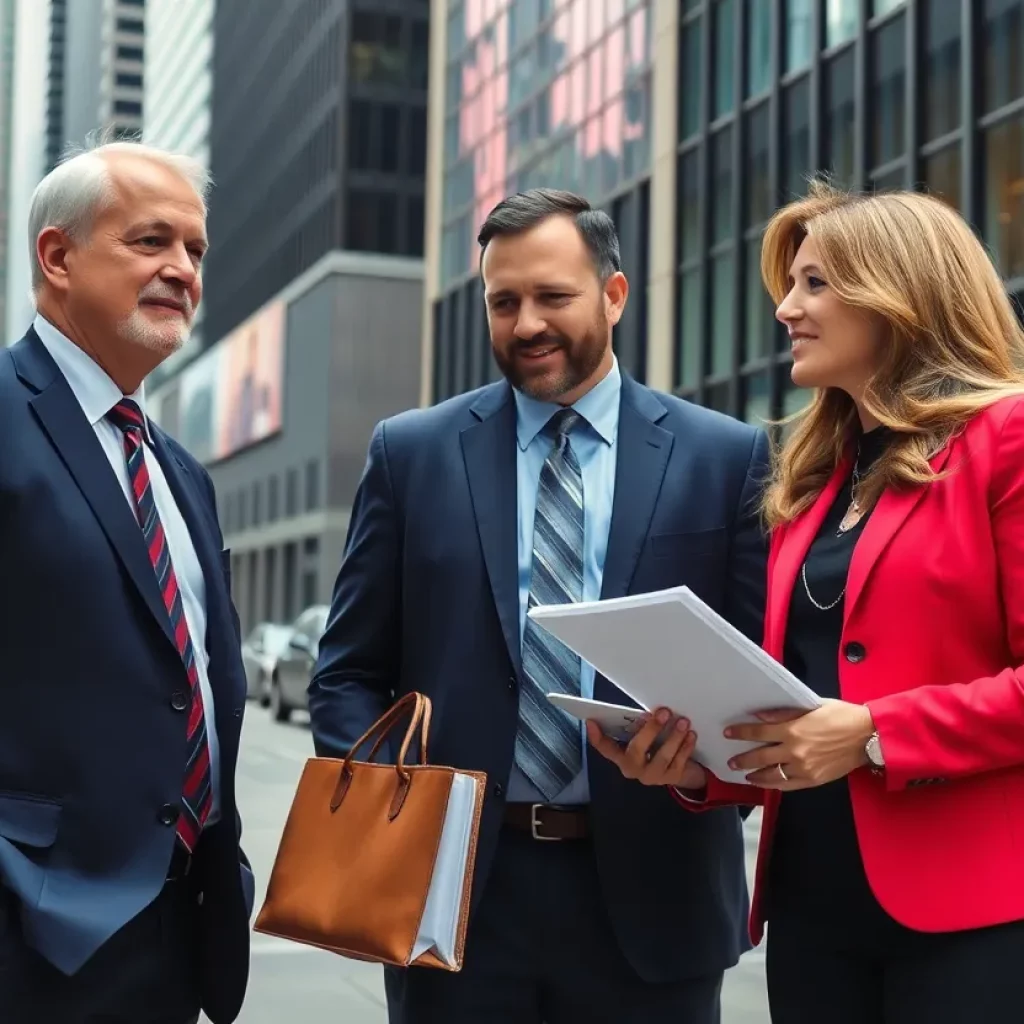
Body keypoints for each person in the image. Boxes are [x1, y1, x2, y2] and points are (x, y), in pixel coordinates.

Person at [308, 188, 769, 1024]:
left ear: (614, 294)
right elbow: (345, 674)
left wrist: (701, 770)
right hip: (454, 904)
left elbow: (759, 687)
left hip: (654, 902)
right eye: (504, 301)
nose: (526, 324)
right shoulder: (410, 453)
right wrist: (396, 823)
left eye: (553, 297)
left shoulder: (725, 456)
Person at [591, 181, 1024, 1023]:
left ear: (901, 294)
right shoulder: (813, 487)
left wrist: (872, 734)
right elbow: (791, 707)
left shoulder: (1007, 441)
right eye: (789, 286)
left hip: (976, 917)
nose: (787, 308)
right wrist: (694, 766)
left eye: (815, 283)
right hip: (813, 912)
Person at [0, 139, 253, 1023]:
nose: (182, 269)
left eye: (194, 250)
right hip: (31, 938)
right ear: (57, 256)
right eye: (151, 242)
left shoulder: (182, 472)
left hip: (181, 928)